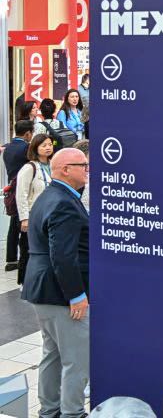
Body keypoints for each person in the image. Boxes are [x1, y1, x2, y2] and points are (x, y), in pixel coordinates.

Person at [22, 148, 90, 418]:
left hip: (43, 290)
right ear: (64, 169)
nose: (87, 169)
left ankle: (49, 411)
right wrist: (76, 295)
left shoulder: (51, 196)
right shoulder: (64, 203)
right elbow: (62, 256)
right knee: (77, 359)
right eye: (82, 165)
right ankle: (73, 413)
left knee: (52, 355)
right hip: (61, 294)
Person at [14, 134, 54, 285]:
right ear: (35, 148)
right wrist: (24, 218)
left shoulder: (53, 165)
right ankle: (24, 282)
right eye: (44, 145)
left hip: (50, 214)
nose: (48, 147)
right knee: (28, 249)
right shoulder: (29, 167)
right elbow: (21, 194)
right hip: (33, 215)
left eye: (50, 144)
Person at [3, 120, 34, 272]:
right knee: (21, 225)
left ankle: (10, 258)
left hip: (12, 189)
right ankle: (21, 259)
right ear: (28, 133)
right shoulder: (26, 148)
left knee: (13, 226)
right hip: (23, 191)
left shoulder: (8, 148)